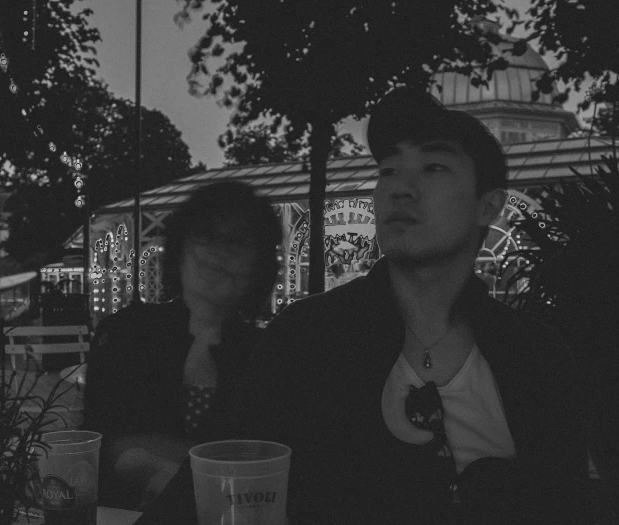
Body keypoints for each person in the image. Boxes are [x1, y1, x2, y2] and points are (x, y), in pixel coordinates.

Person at [145, 88, 591, 524]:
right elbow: (212, 484)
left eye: (433, 167)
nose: (401, 188)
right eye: (388, 170)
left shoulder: (536, 357)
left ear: (488, 205)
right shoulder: (307, 341)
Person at [81, 181, 282, 511]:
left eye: (239, 241)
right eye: (206, 235)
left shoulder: (265, 354)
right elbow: (101, 444)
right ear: (180, 247)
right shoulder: (126, 332)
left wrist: (150, 457)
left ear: (258, 265)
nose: (218, 252)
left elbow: (258, 464)